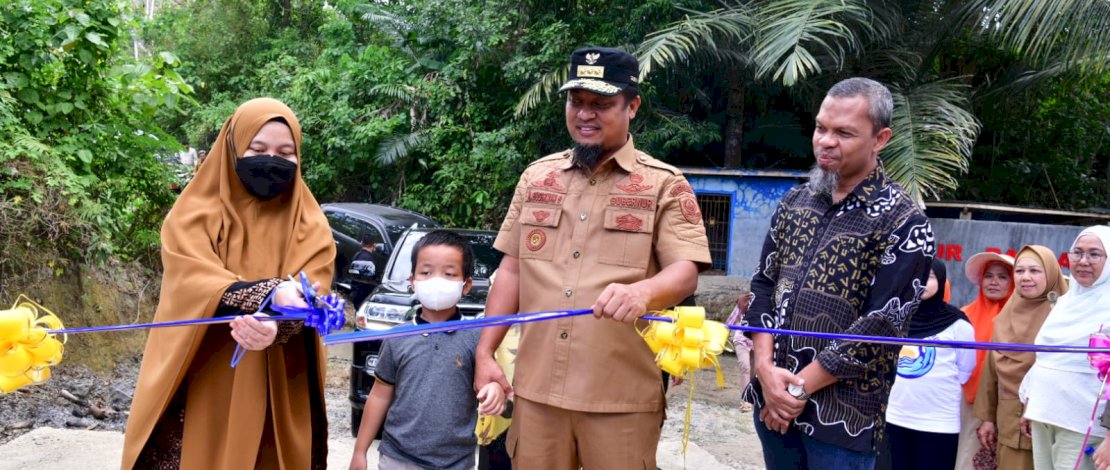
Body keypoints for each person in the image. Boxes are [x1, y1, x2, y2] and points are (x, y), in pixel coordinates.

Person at [472, 46, 712, 470]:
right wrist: (485, 353)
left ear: (632, 105)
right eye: (576, 102)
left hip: (620, 397)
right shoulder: (536, 177)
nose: (585, 114)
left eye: (601, 104)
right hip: (536, 391)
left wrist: (645, 291)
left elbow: (685, 271)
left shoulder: (663, 185)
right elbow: (511, 270)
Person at [121, 98, 337, 469]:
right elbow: (191, 277)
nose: (271, 159)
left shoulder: (310, 223)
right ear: (232, 147)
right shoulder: (193, 213)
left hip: (278, 380)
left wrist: (278, 322)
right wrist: (268, 292)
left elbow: (314, 290)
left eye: (286, 152)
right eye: (257, 148)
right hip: (204, 370)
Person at [741, 77, 934, 469]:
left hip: (842, 420)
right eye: (821, 128)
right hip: (772, 400)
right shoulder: (796, 202)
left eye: (843, 133)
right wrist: (764, 370)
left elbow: (881, 325)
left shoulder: (904, 221)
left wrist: (796, 389)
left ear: (880, 138)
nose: (825, 141)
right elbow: (764, 283)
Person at [349, 230, 506, 470]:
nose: (436, 280)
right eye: (426, 272)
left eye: (449, 273)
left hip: (455, 462)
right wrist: (360, 452)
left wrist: (495, 389)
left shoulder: (478, 338)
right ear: (413, 282)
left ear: (467, 285)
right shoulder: (397, 338)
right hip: (397, 458)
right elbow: (380, 395)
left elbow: (488, 381)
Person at [1023, 227, 1110, 470]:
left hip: (1084, 424)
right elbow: (1046, 359)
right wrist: (1032, 404)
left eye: (1094, 254)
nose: (1083, 261)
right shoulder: (1063, 303)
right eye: (1077, 253)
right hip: (1044, 415)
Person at [973, 245, 1067, 470]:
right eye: (1020, 271)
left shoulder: (1064, 313)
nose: (1025, 277)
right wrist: (987, 418)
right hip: (1008, 420)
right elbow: (991, 368)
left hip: (1051, 419)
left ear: (1052, 273)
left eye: (1035, 271)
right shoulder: (1007, 314)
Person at [884, 260, 976, 470]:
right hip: (896, 416)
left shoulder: (958, 323)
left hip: (938, 421)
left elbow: (965, 369)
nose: (922, 282)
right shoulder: (896, 318)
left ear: (942, 281)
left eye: (930, 277)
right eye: (917, 275)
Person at [956, 252, 1016, 469]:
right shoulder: (963, 316)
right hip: (967, 400)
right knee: (967, 454)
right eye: (988, 276)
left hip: (1009, 401)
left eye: (1002, 277)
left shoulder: (1021, 318)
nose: (993, 282)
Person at [348, 235, 385, 308]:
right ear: (374, 245)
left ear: (362, 243)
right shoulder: (370, 259)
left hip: (354, 289)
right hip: (364, 292)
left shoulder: (356, 255)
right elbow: (371, 277)